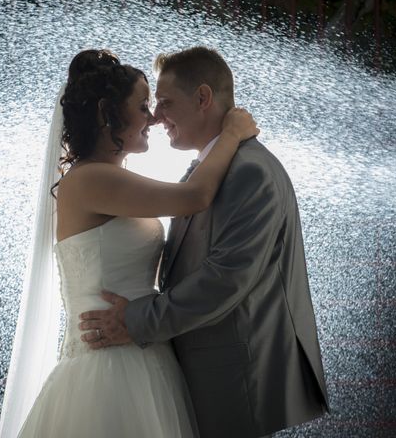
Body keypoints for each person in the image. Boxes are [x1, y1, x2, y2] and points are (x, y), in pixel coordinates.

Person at [0, 49, 258, 438]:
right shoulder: (90, 181)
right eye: (142, 106)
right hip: (106, 371)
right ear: (108, 114)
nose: (153, 118)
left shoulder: (112, 179)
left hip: (142, 354)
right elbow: (195, 196)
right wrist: (232, 133)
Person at [79, 46, 330, 437]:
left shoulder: (249, 172)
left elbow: (226, 278)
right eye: (152, 104)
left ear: (202, 98)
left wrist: (136, 320)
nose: (158, 117)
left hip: (235, 382)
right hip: (188, 374)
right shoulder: (211, 171)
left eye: (165, 103)